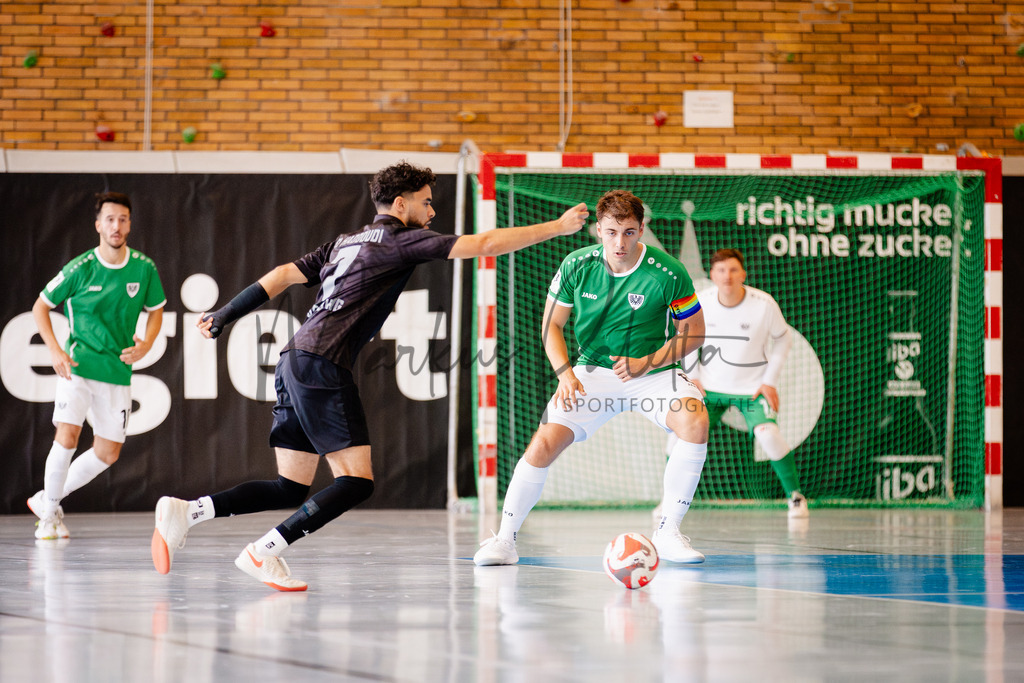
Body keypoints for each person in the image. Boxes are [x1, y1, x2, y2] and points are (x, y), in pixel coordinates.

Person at [150, 161, 589, 591]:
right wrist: (557, 226)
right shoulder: (400, 241)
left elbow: (284, 274)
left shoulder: (345, 241)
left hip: (293, 358)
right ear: (401, 204)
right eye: (426, 203)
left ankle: (187, 512)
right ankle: (264, 551)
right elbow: (487, 243)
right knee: (356, 482)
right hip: (322, 363)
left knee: (289, 487)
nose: (432, 213)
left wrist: (225, 314)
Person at [473, 189, 710, 567]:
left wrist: (648, 361)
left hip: (653, 371)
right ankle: (504, 540)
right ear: (598, 230)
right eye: (612, 232)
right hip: (590, 373)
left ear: (641, 229)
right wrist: (565, 375)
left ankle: (668, 531)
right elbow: (552, 326)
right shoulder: (576, 265)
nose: (621, 242)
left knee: (695, 420)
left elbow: (694, 333)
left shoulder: (667, 271)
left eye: (630, 232)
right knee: (542, 445)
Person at [27, 191, 166, 540]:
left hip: (116, 371)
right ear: (98, 225)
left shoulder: (144, 268)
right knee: (68, 435)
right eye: (109, 219)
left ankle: (47, 499)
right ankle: (47, 519)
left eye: (122, 219)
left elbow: (157, 311)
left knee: (108, 452)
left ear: (129, 224)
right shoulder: (81, 267)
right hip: (77, 367)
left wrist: (147, 343)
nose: (116, 226)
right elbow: (40, 307)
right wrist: (56, 352)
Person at [681, 248, 807, 518]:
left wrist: (769, 381)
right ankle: (671, 500)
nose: (727, 276)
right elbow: (688, 339)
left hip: (751, 391)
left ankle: (795, 497)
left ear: (743, 274)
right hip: (709, 390)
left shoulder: (764, 303)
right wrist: (693, 376)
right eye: (721, 270)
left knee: (768, 435)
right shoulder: (700, 301)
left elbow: (783, 338)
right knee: (678, 436)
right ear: (712, 275)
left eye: (733, 269)